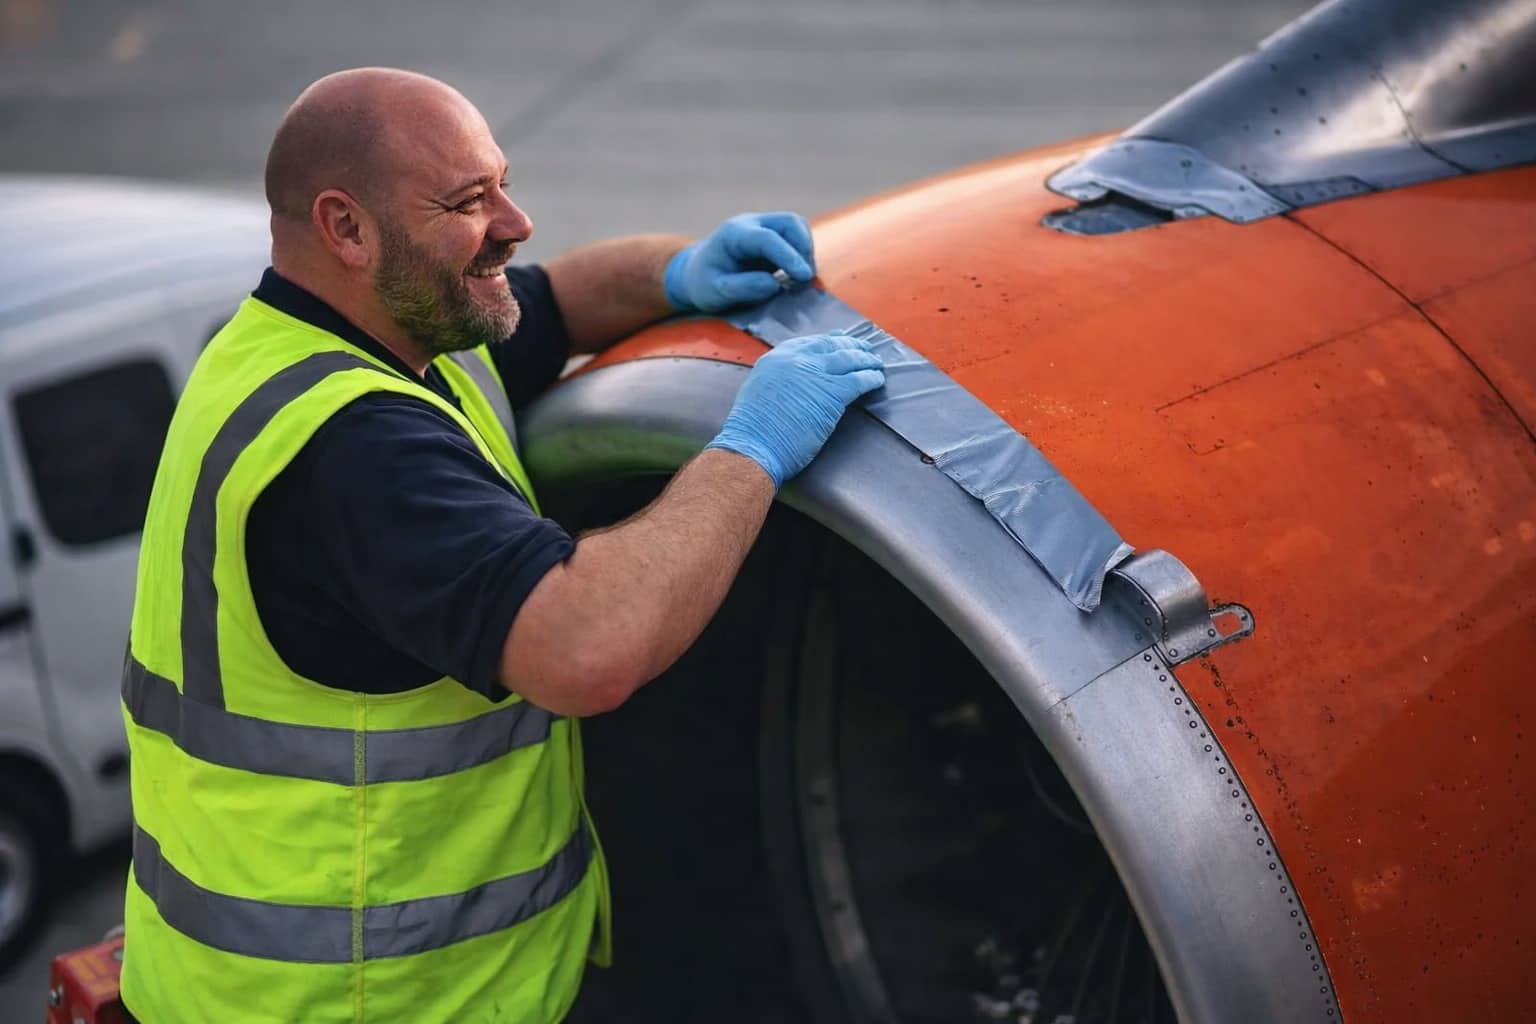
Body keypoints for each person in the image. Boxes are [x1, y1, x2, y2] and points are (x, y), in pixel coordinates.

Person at [117, 67, 884, 1023]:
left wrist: (678, 271)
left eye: (503, 183)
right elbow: (585, 648)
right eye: (467, 202)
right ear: (345, 228)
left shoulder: (352, 334)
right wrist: (754, 448)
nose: (515, 222)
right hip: (356, 1003)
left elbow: (553, 297)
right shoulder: (352, 449)